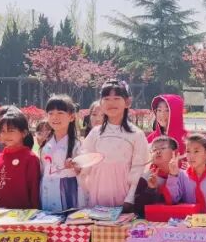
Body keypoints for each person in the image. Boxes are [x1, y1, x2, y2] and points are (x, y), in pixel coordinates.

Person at [77, 80, 149, 208]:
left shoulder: (136, 134)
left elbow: (139, 168)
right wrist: (77, 166)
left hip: (123, 191)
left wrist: (130, 198)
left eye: (116, 98)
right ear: (101, 103)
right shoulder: (95, 133)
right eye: (106, 99)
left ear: (127, 102)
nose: (111, 103)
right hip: (98, 189)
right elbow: (86, 161)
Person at [0, 111, 41, 209]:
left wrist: (34, 213)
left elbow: (34, 190)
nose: (6, 135)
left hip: (20, 214)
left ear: (24, 133)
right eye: (2, 131)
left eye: (11, 131)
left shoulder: (31, 159)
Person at [39, 94, 81, 213]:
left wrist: (75, 167)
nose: (55, 117)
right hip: (46, 188)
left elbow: (83, 171)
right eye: (51, 113)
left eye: (60, 113)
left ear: (71, 117)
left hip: (67, 189)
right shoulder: (46, 143)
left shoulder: (77, 145)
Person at [132, 136, 183, 217]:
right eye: (154, 150)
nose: (158, 152)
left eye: (163, 148)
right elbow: (138, 209)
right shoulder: (145, 178)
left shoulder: (184, 175)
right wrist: (150, 189)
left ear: (175, 153)